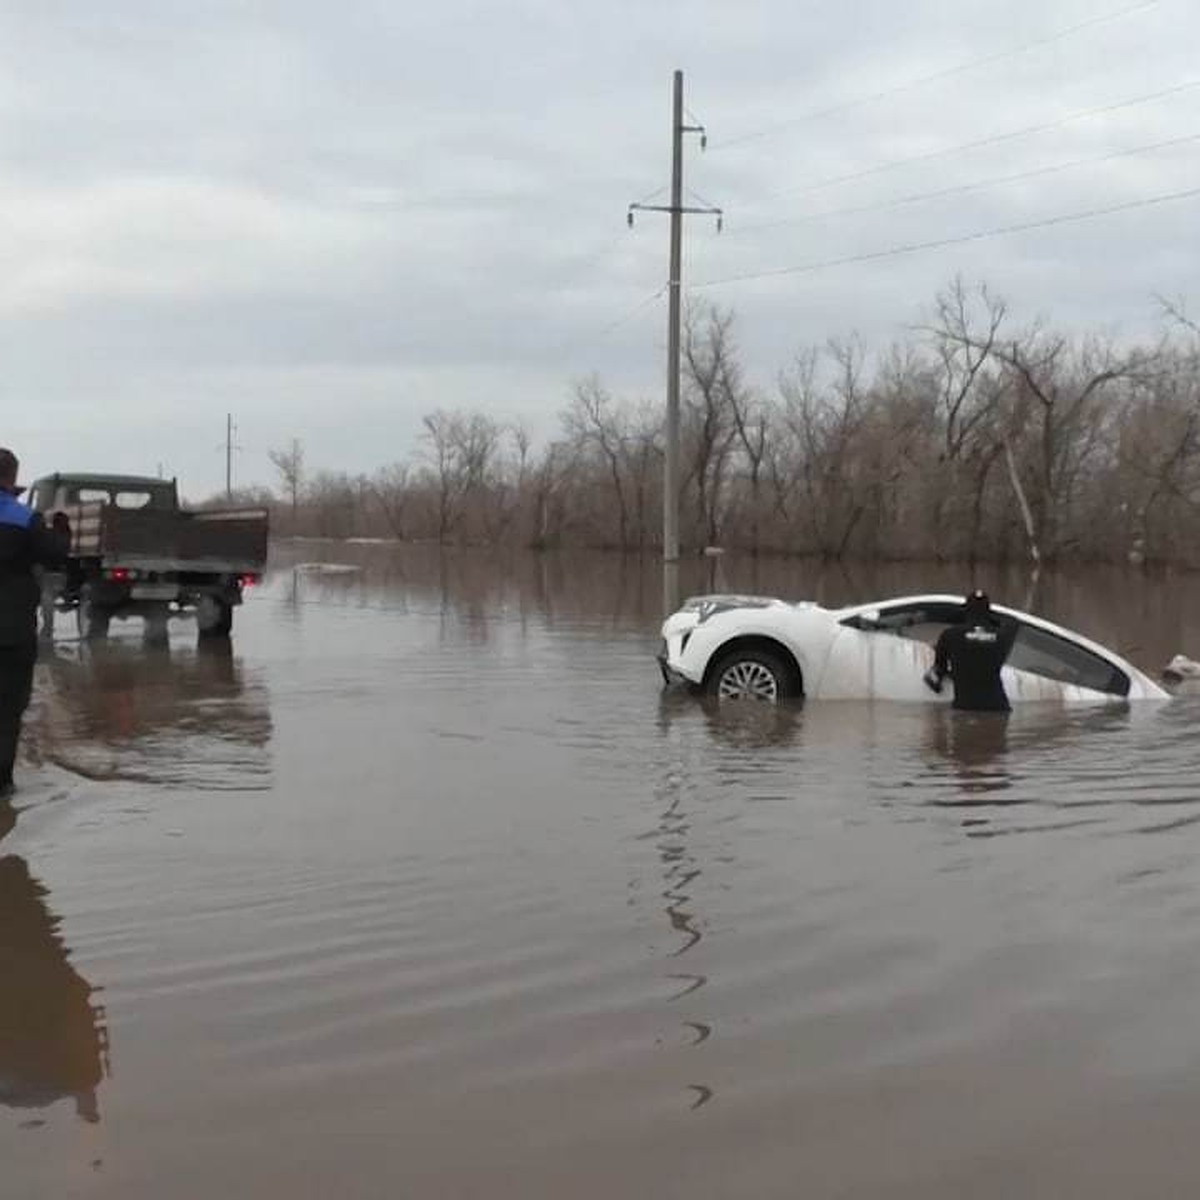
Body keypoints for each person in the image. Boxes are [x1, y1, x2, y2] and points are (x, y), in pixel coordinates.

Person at [0, 449, 69, 795]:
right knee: (8, 710)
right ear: (12, 477)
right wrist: (61, 529)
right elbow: (56, 555)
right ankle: (3, 789)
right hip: (11, 633)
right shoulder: (25, 518)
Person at [923, 590, 1018, 713]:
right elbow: (1013, 622)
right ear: (988, 612)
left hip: (965, 708)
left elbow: (938, 670)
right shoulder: (1002, 636)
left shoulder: (950, 635)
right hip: (998, 707)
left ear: (966, 611)